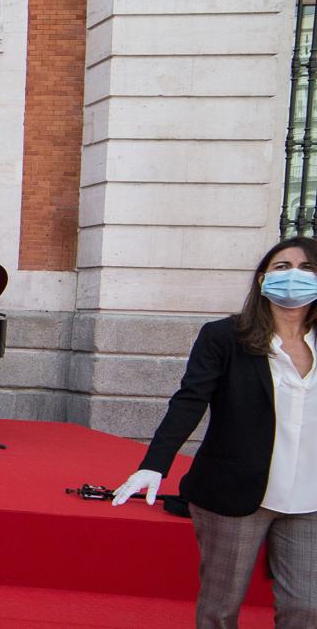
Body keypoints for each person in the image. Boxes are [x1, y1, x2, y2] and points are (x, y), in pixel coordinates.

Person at [112, 237, 317, 629]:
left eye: (307, 268)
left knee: (307, 609)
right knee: (220, 609)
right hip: (235, 491)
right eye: (282, 267)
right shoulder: (225, 337)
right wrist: (155, 464)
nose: (294, 276)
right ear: (261, 280)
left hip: (309, 497)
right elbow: (190, 400)